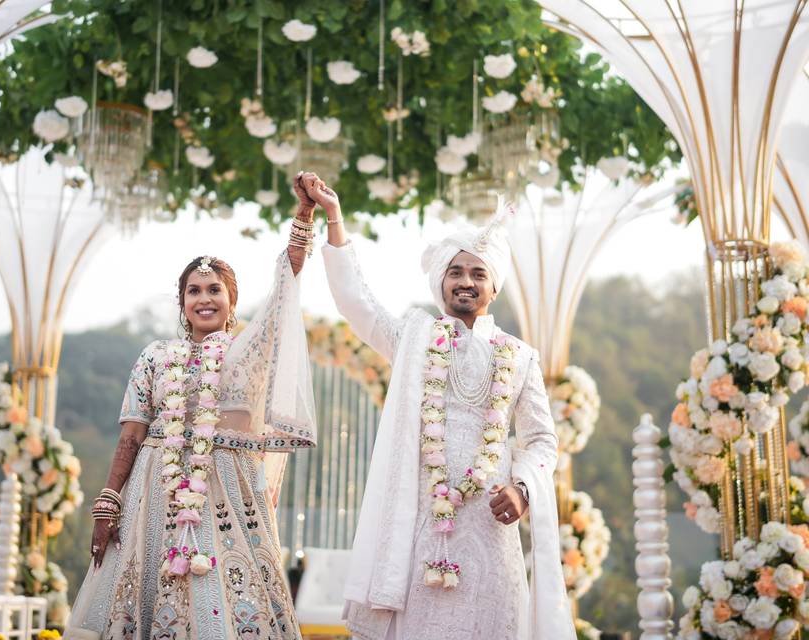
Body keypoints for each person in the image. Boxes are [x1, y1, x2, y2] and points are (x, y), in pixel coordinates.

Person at [298, 172, 573, 639]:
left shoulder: (521, 357)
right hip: (423, 523)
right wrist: (335, 216)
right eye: (455, 272)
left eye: (478, 273)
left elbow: (542, 440)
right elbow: (356, 302)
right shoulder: (413, 338)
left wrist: (523, 489)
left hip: (491, 526)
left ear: (493, 287)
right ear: (439, 282)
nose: (466, 282)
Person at [65, 176, 320, 640]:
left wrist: (303, 215)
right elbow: (131, 435)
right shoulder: (155, 356)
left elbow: (288, 280)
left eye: (214, 289)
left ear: (231, 300)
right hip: (153, 493)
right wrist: (108, 504)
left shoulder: (250, 349)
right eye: (194, 291)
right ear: (183, 305)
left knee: (227, 596)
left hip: (229, 493)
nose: (204, 298)